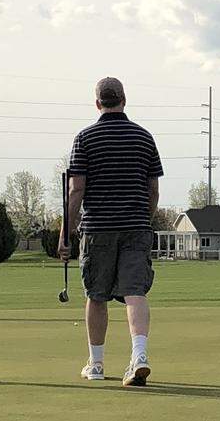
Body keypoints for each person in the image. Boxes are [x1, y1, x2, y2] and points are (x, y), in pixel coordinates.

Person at [60, 77, 164, 387]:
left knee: (97, 295)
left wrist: (66, 231)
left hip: (98, 228)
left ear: (97, 103)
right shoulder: (144, 137)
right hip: (135, 226)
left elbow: (76, 190)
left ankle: (96, 363)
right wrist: (144, 218)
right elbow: (153, 190)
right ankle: (140, 355)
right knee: (135, 292)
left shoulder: (85, 138)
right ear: (124, 100)